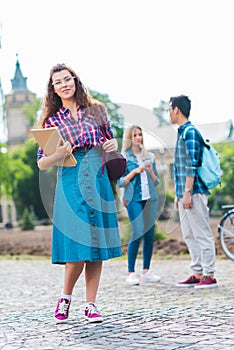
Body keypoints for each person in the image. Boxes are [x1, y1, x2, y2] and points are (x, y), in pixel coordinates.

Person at [36, 63, 122, 323]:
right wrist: (58, 154)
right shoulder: (51, 121)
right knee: (79, 244)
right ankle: (65, 297)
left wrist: (114, 143)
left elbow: (109, 142)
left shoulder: (97, 111)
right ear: (53, 89)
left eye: (67, 79)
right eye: (58, 82)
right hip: (71, 179)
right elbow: (41, 162)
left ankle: (91, 304)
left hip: (98, 175)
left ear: (75, 80)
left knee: (96, 244)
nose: (64, 84)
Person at [169, 95, 217, 289]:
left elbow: (191, 165)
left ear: (176, 110)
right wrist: (178, 195)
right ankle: (197, 272)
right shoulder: (181, 132)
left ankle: (209, 275)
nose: (169, 113)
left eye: (169, 109)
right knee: (189, 233)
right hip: (185, 193)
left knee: (201, 232)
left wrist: (187, 192)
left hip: (194, 191)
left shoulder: (190, 132)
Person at [118, 125, 161, 285]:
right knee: (137, 232)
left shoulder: (149, 156)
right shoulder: (123, 157)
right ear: (130, 137)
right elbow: (121, 182)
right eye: (135, 135)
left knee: (149, 234)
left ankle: (146, 271)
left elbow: (156, 182)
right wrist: (134, 172)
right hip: (133, 199)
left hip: (150, 199)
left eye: (140, 134)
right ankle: (130, 272)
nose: (138, 138)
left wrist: (149, 171)